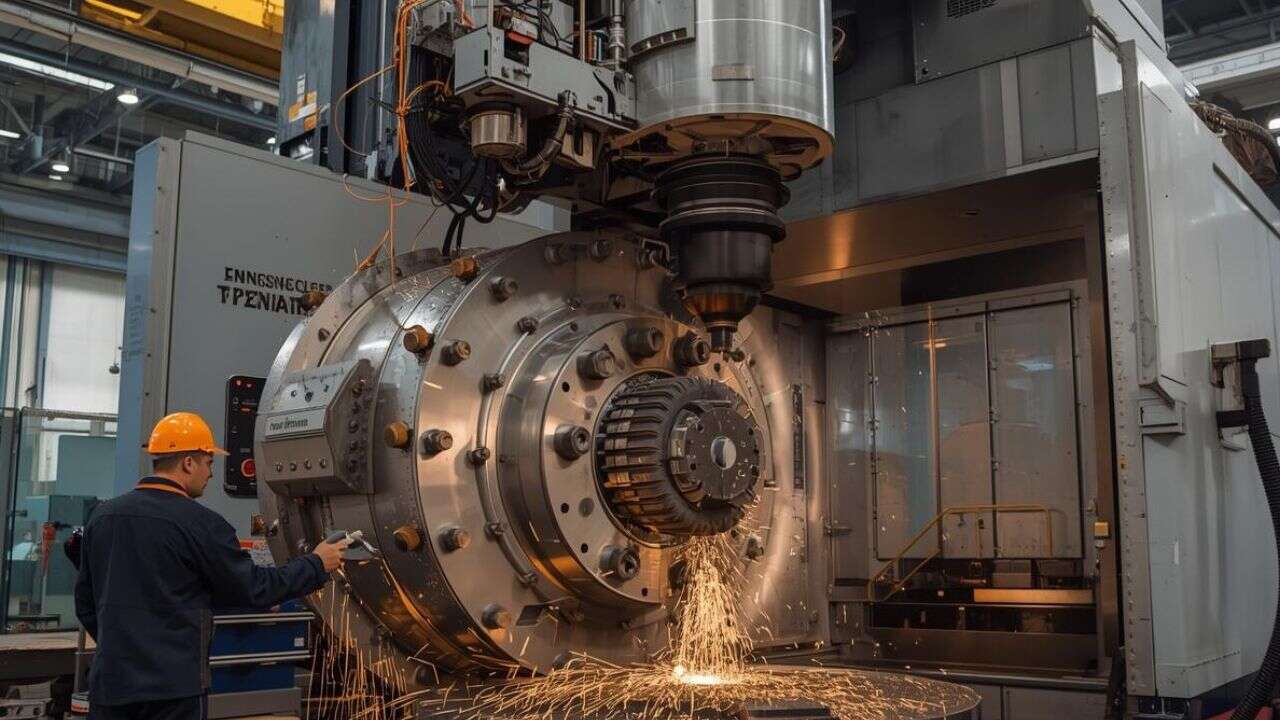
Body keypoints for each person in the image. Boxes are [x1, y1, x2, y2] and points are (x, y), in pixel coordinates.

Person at [74, 412, 350, 720]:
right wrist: (316, 563)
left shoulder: (103, 517)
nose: (210, 474)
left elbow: (85, 603)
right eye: (208, 463)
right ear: (188, 463)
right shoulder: (201, 524)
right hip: (171, 691)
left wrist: (121, 647)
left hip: (111, 686)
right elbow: (256, 588)